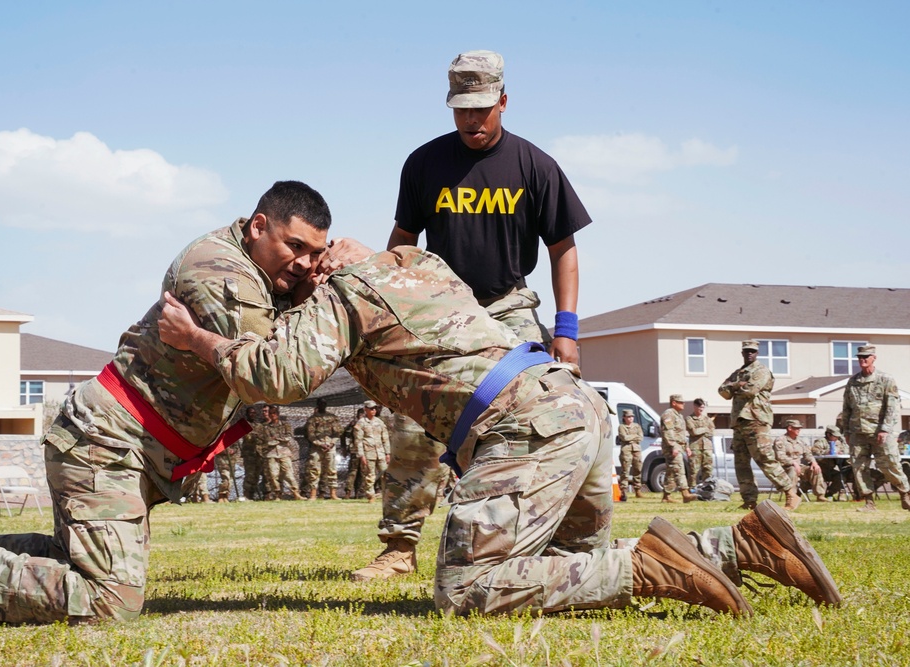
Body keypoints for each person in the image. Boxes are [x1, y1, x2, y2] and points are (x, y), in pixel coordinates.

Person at [155, 244, 841, 616]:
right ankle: (740, 543)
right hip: (572, 409)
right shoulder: (419, 265)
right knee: (571, 559)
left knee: (467, 587)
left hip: (526, 429)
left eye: (303, 265)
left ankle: (652, 566)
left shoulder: (345, 292)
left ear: (329, 257)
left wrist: (195, 338)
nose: (293, 280)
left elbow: (276, 373)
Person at [0, 180, 344, 624]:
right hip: (107, 443)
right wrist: (323, 299)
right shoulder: (219, 271)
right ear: (257, 226)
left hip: (123, 446)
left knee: (73, 561)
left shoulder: (260, 278)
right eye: (295, 246)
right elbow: (271, 374)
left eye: (316, 253)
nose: (305, 264)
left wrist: (302, 292)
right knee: (109, 600)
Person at [362, 48, 595, 581]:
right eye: (461, 109)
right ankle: (399, 547)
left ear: (503, 102)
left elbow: (565, 249)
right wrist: (390, 304)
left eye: (481, 109)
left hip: (508, 306)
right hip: (441, 308)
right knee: (411, 421)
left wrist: (566, 331)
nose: (471, 120)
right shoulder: (424, 163)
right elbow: (402, 241)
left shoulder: (535, 165)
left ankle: (542, 539)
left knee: (537, 414)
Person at [718, 340, 799, 511]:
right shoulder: (738, 373)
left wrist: (735, 387)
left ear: (757, 353)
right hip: (739, 421)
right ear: (742, 353)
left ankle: (790, 492)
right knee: (741, 463)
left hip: (756, 420)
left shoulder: (761, 371)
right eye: (746, 351)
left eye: (752, 351)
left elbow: (750, 390)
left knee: (764, 457)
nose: (749, 354)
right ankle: (749, 500)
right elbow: (722, 391)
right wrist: (736, 385)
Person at [838, 345, 910, 512]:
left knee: (889, 465)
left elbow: (892, 407)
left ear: (873, 358)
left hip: (880, 432)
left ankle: (905, 493)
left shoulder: (885, 379)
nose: (862, 360)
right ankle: (869, 502)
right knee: (859, 468)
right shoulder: (853, 381)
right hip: (858, 432)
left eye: (866, 357)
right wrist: (847, 432)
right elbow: (847, 408)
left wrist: (885, 429)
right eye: (860, 357)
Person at [255, 406, 302, 501]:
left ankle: (296, 493)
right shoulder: (265, 427)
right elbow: (264, 440)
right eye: (271, 413)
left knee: (288, 474)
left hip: (284, 452)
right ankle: (277, 494)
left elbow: (288, 437)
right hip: (271, 454)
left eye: (274, 413)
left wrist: (276, 439)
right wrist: (278, 440)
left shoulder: (285, 425)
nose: (273, 415)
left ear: (278, 414)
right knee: (273, 475)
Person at [773, 420, 826, 503]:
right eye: (796, 428)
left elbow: (808, 454)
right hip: (784, 467)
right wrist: (793, 463)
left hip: (799, 466)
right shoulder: (780, 440)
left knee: (815, 470)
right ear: (789, 428)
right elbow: (780, 456)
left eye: (799, 428)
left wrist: (814, 463)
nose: (799, 430)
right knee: (792, 470)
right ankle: (792, 496)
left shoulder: (800, 441)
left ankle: (820, 495)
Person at [303, 398, 343, 500]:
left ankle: (333, 494)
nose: (322, 405)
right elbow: (310, 435)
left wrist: (332, 443)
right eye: (320, 403)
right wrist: (320, 444)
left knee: (332, 470)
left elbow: (337, 432)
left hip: (330, 446)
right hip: (316, 448)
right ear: (317, 405)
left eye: (324, 403)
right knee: (314, 470)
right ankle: (313, 494)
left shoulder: (332, 418)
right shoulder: (312, 419)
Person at [660, 395, 697, 503]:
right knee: (679, 469)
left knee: (671, 472)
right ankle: (685, 494)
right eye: (680, 402)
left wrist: (687, 447)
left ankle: (666, 496)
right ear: (674, 403)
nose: (683, 404)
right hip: (672, 447)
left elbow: (680, 433)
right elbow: (668, 431)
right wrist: (673, 446)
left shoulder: (679, 416)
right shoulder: (668, 414)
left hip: (679, 446)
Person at [353, 401, 391, 503]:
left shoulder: (379, 422)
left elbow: (385, 438)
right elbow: (358, 440)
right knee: (370, 475)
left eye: (374, 408)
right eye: (371, 408)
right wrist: (361, 455)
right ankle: (371, 496)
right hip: (368, 453)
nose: (373, 410)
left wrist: (388, 453)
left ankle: (387, 496)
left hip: (381, 453)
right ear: (365, 409)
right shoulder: (361, 423)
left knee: (385, 474)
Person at [811, 426, 850, 500]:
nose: (836, 438)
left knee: (840, 476)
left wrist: (842, 452)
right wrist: (826, 452)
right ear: (828, 434)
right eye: (835, 436)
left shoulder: (838, 442)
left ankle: (830, 493)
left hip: (831, 467)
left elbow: (845, 450)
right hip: (821, 467)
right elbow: (814, 452)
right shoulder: (821, 442)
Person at [685, 398, 716, 484]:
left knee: (708, 469)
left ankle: (706, 488)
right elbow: (694, 432)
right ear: (694, 406)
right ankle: (692, 489)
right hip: (695, 447)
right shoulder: (689, 419)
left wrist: (701, 430)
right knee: (693, 470)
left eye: (703, 407)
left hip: (707, 447)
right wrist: (705, 429)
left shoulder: (707, 419)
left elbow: (712, 431)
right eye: (699, 407)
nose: (701, 409)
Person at [239, 405, 267, 500]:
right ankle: (247, 495)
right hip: (249, 454)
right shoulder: (244, 424)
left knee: (257, 475)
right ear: (247, 414)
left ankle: (255, 495)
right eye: (251, 413)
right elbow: (248, 438)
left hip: (259, 454)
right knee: (250, 475)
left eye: (254, 413)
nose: (252, 415)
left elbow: (264, 438)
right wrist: (255, 436)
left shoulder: (259, 426)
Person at [616, 409, 645, 500]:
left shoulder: (637, 426)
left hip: (636, 450)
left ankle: (638, 490)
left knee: (638, 469)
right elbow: (624, 437)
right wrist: (634, 437)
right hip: (626, 450)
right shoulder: (622, 427)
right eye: (628, 417)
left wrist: (632, 438)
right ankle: (623, 490)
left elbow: (640, 437)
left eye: (632, 416)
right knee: (625, 471)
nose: (631, 418)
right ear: (624, 417)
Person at [342, 408, 366, 499]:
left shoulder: (364, 422)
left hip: (364, 450)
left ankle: (359, 493)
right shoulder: (355, 423)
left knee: (361, 473)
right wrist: (344, 447)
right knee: (354, 472)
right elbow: (344, 434)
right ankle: (349, 492)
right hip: (356, 450)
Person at [214, 436, 242, 502]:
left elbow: (236, 447)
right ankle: (221, 495)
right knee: (226, 477)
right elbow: (215, 447)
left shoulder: (232, 435)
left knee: (231, 479)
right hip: (222, 460)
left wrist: (232, 450)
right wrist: (223, 450)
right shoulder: (219, 435)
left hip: (232, 460)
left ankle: (226, 495)